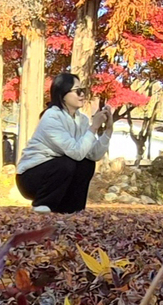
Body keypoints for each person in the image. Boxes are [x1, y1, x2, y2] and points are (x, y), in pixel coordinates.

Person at [15, 72, 114, 214]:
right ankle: (42, 205)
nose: (82, 95)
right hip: (30, 177)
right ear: (62, 94)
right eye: (77, 91)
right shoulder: (51, 117)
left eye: (83, 90)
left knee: (86, 164)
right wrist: (94, 127)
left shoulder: (82, 120)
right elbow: (76, 152)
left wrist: (108, 131)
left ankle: (72, 209)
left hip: (57, 173)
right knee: (68, 162)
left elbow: (93, 155)